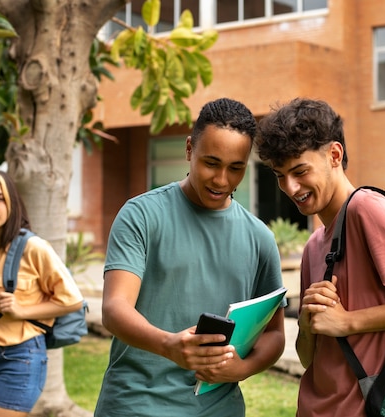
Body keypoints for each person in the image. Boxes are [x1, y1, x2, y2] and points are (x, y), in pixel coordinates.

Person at [254, 98, 385, 416]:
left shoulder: (367, 209)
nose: (290, 187)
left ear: (334, 155)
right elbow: (310, 359)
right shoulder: (313, 246)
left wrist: (348, 321)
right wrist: (311, 324)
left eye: (299, 171)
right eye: (279, 175)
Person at [94, 98, 286, 417]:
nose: (222, 180)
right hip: (135, 405)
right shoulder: (141, 215)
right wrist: (169, 345)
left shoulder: (260, 239)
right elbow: (114, 309)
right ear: (188, 149)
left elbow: (275, 333)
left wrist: (243, 368)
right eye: (211, 163)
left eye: (236, 168)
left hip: (218, 409)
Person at [0, 170, 84, 417]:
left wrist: (21, 310)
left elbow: (73, 301)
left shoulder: (33, 247)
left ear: (12, 204)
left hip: (20, 357)